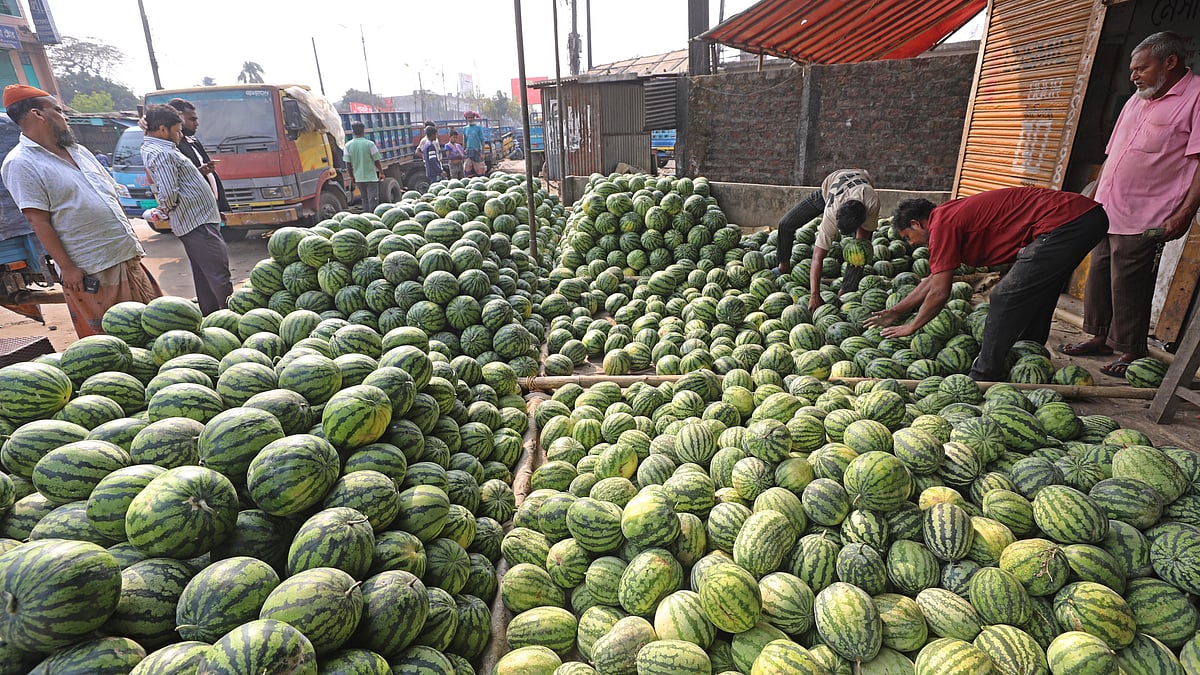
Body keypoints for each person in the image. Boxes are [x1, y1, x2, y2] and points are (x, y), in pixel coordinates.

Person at [1058, 31, 1200, 377]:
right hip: (1108, 206)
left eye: (1141, 68)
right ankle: (1100, 336)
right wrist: (1093, 195)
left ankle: (1129, 350)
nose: (1133, 76)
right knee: (1100, 275)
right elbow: (1113, 153)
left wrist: (1184, 212)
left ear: (1170, 62)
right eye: (1132, 69)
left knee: (1129, 284)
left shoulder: (1196, 96)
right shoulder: (1137, 98)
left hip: (1148, 212)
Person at [866, 188, 1108, 382]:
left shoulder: (942, 224)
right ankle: (1030, 354)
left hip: (1068, 223)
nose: (911, 244)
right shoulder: (947, 217)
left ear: (917, 223)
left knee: (1003, 295)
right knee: (1040, 291)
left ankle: (984, 374)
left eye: (908, 237)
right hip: (1084, 219)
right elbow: (934, 279)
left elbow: (941, 292)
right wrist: (897, 311)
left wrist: (912, 326)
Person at [0, 84, 161, 336]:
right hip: (92, 266)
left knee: (155, 328)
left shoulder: (79, 150)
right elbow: (38, 220)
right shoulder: (21, 163)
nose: (65, 117)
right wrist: (67, 267)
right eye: (58, 110)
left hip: (125, 255)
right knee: (115, 341)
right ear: (37, 114)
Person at [140, 104, 232, 315]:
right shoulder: (161, 153)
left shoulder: (163, 149)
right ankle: (230, 318)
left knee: (204, 274)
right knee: (218, 273)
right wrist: (164, 209)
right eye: (178, 130)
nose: (181, 135)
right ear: (163, 129)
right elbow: (169, 191)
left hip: (198, 220)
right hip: (197, 222)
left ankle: (211, 315)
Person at [775, 169, 880, 310]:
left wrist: (846, 290)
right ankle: (784, 266)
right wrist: (814, 296)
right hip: (830, 188)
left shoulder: (872, 202)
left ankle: (846, 293)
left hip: (863, 184)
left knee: (859, 252)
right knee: (785, 224)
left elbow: (861, 244)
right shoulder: (831, 213)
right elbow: (817, 258)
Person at [166, 98, 230, 213]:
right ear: (178, 118)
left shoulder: (193, 141)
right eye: (192, 119)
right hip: (197, 212)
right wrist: (198, 173)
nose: (196, 123)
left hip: (214, 208)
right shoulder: (171, 146)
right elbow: (176, 180)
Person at [344, 121, 383, 213]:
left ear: (353, 132)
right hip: (371, 177)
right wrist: (381, 172)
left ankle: (367, 216)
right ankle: (374, 217)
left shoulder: (348, 145)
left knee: (364, 199)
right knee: (373, 199)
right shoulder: (370, 144)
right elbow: (376, 160)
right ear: (363, 131)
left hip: (359, 178)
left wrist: (351, 176)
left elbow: (348, 164)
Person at [462, 111, 486, 177]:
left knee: (479, 169)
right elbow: (464, 140)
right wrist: (463, 150)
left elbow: (482, 140)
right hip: (468, 151)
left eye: (471, 118)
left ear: (474, 118)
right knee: (467, 169)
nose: (470, 119)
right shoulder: (465, 128)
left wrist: (483, 153)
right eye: (468, 118)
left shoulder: (478, 128)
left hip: (477, 151)